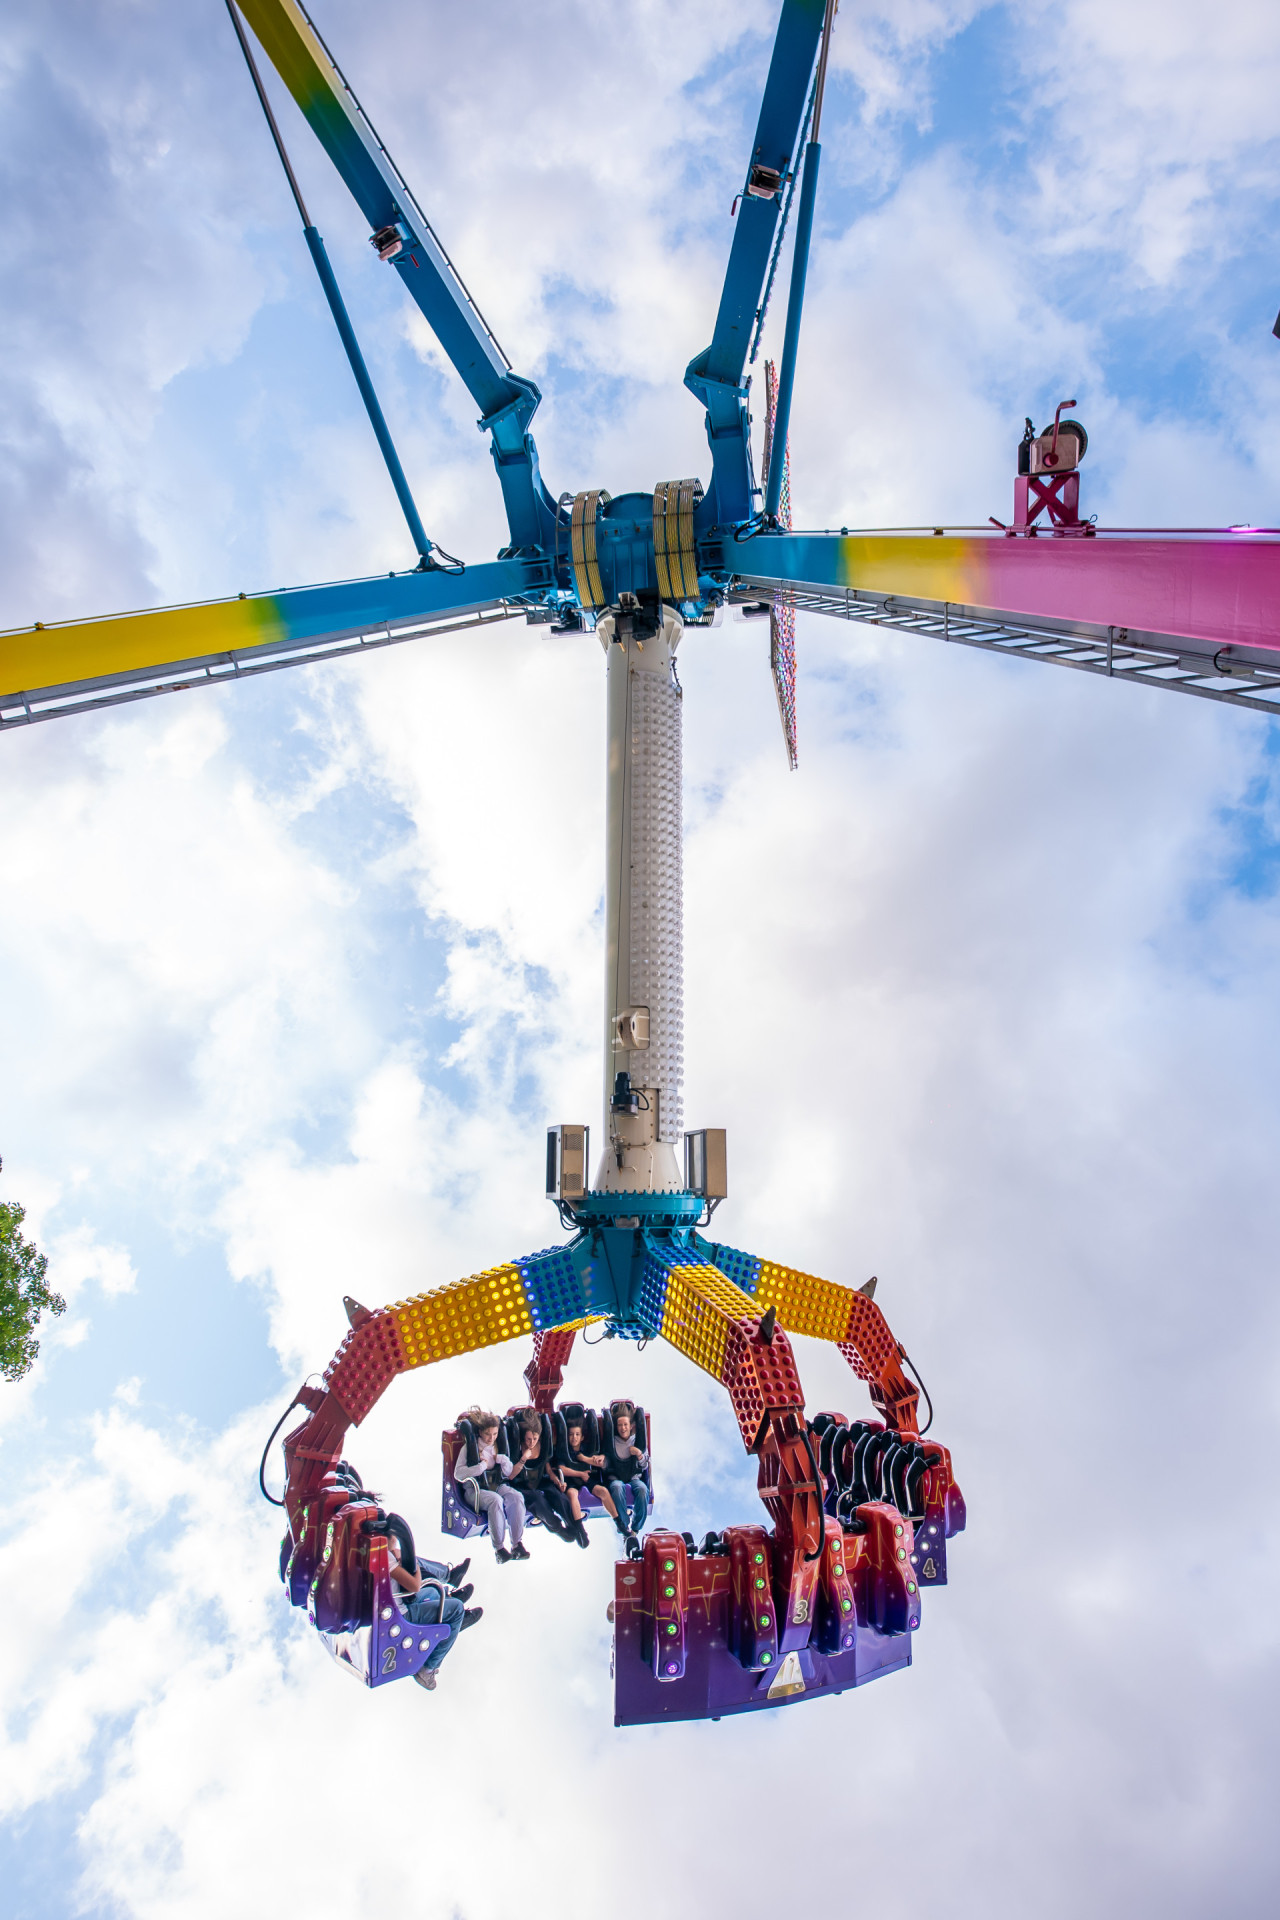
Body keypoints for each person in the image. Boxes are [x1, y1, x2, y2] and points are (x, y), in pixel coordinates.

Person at [387, 1537, 482, 1692]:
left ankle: (449, 1608)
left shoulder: (379, 1554)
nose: (396, 1539)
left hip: (397, 1603)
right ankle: (429, 1668)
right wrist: (407, 1561)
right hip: (399, 1614)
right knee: (456, 1609)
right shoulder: (386, 1556)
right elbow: (415, 1585)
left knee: (432, 1591)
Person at [454, 1408, 531, 1561]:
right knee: (496, 1500)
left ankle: (517, 1545)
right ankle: (499, 1550)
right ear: (481, 1432)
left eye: (495, 1434)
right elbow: (458, 1474)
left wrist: (502, 1459)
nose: (491, 1438)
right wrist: (480, 1467)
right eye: (488, 1434)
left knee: (516, 1497)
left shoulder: (497, 1446)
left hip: (496, 1485)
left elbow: (508, 1472)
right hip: (474, 1491)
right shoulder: (470, 1448)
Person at [509, 1407, 589, 1549]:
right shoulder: (517, 1447)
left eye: (535, 1439)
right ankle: (559, 1530)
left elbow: (545, 1465)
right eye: (528, 1439)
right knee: (540, 1503)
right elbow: (511, 1476)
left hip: (541, 1480)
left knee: (559, 1498)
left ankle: (577, 1529)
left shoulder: (542, 1445)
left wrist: (556, 1480)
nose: (531, 1443)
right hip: (521, 1485)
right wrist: (522, 1459)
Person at [558, 1414, 620, 1530]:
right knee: (572, 1494)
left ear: (582, 1437)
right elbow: (562, 1469)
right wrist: (580, 1474)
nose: (574, 1438)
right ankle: (579, 1529)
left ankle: (618, 1522)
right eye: (571, 1435)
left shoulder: (587, 1448)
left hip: (587, 1479)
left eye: (577, 1434)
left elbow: (598, 1462)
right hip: (571, 1481)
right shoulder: (563, 1450)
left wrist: (584, 1458)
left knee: (603, 1491)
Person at [604, 1399, 649, 1542]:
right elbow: (607, 1463)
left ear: (631, 1426)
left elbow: (645, 1466)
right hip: (616, 1478)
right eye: (620, 1425)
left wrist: (639, 1455)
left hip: (634, 1478)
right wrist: (602, 1462)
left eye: (625, 1425)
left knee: (642, 1489)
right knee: (617, 1487)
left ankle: (635, 1529)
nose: (623, 1428)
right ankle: (624, 1527)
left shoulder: (637, 1441)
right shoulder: (612, 1442)